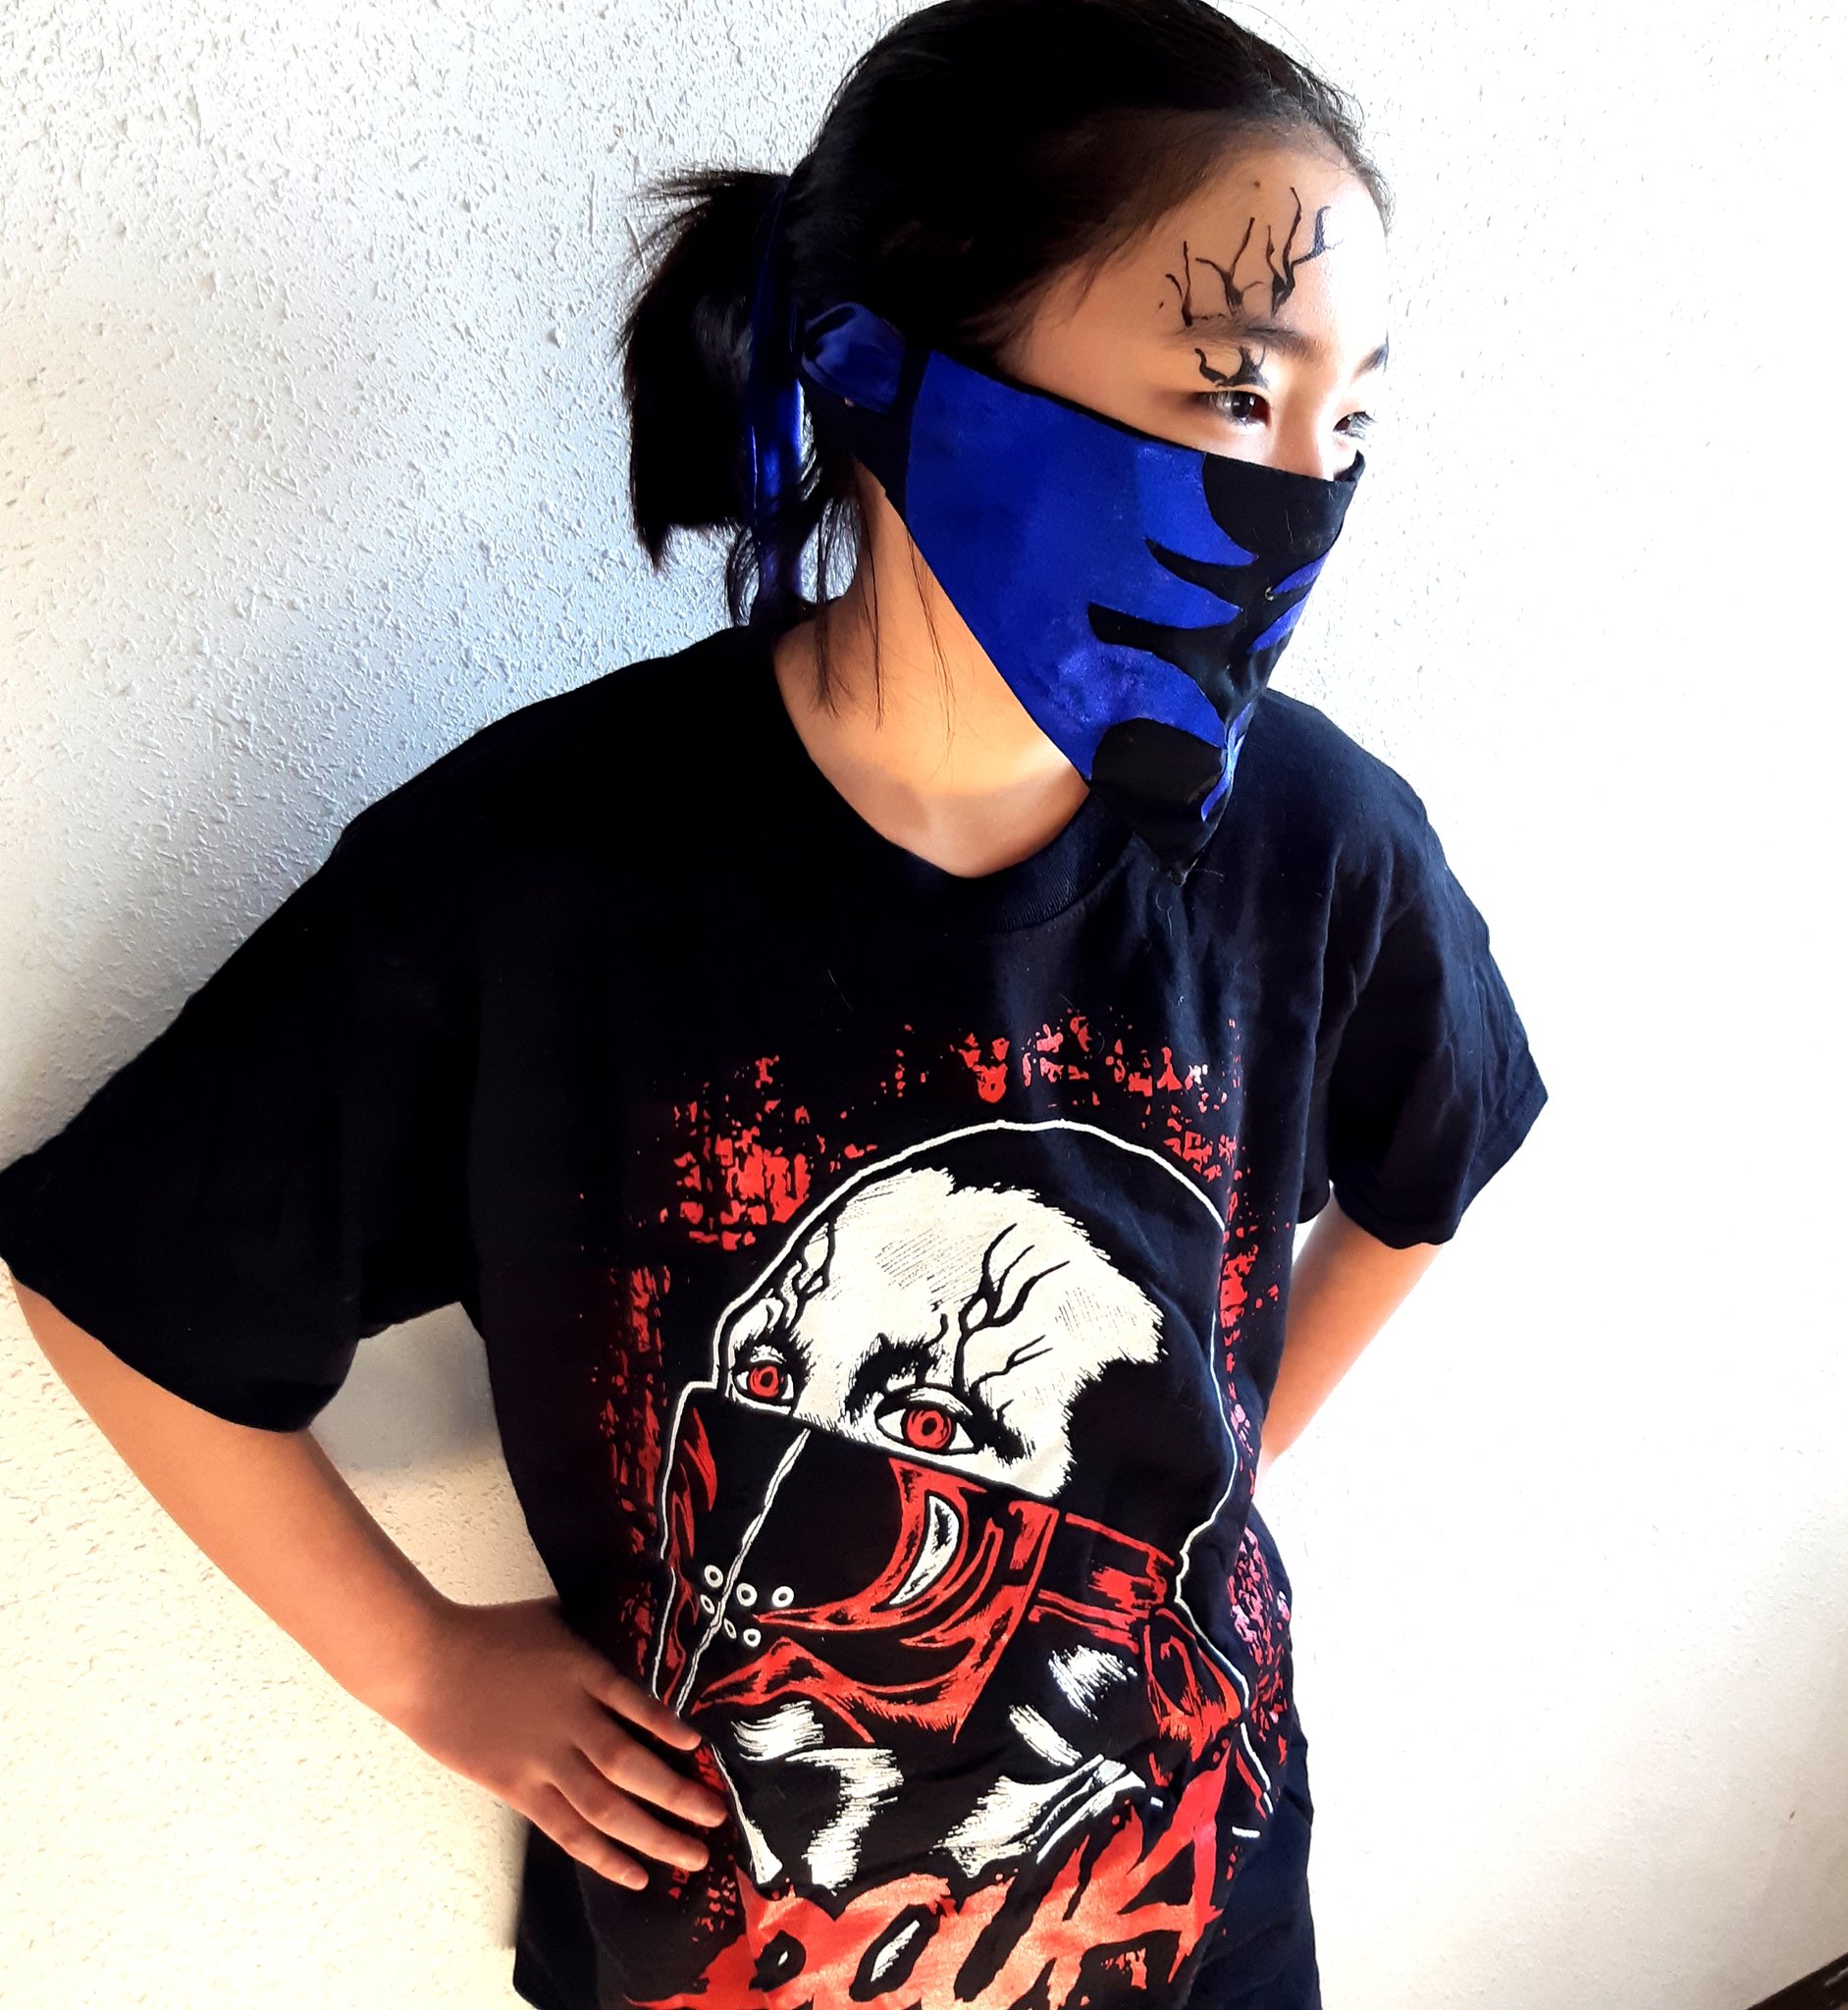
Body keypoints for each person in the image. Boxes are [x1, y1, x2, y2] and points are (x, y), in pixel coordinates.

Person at [0, 3, 1548, 2006]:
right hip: (705, 1945)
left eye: (1346, 423)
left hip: (1196, 1925)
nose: (1303, 488)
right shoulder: (547, 871)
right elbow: (124, 1276)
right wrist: (424, 1664)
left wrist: (1206, 1477)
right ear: (885, 368)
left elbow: (1429, 1165)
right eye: (1231, 387)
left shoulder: (1319, 841)